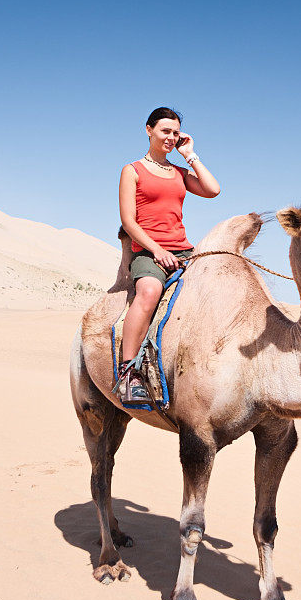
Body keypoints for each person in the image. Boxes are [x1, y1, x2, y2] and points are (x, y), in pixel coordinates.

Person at [116, 107, 220, 403]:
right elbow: (129, 222)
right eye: (165, 131)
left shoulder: (179, 172)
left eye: (176, 133)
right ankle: (129, 373)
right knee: (148, 292)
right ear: (148, 130)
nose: (171, 138)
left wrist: (191, 154)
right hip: (148, 250)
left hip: (183, 249)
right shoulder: (132, 170)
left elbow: (213, 190)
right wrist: (156, 250)